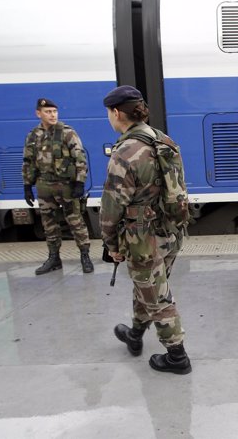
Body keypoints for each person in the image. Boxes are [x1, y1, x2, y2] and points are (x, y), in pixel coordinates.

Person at [100, 85, 191, 375]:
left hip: (142, 238)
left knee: (158, 297)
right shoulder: (163, 139)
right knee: (149, 289)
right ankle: (136, 335)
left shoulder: (125, 151)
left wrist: (111, 244)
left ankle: (177, 357)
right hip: (170, 232)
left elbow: (112, 207)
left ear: (116, 113)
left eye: (109, 114)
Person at [22, 98, 94, 275]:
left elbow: (80, 158)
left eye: (54, 111)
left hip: (66, 186)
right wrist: (27, 185)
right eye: (48, 112)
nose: (52, 115)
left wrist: (79, 182)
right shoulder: (33, 135)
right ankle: (54, 258)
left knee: (76, 221)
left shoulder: (67, 133)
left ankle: (85, 256)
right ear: (38, 113)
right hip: (44, 186)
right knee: (49, 224)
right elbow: (28, 162)